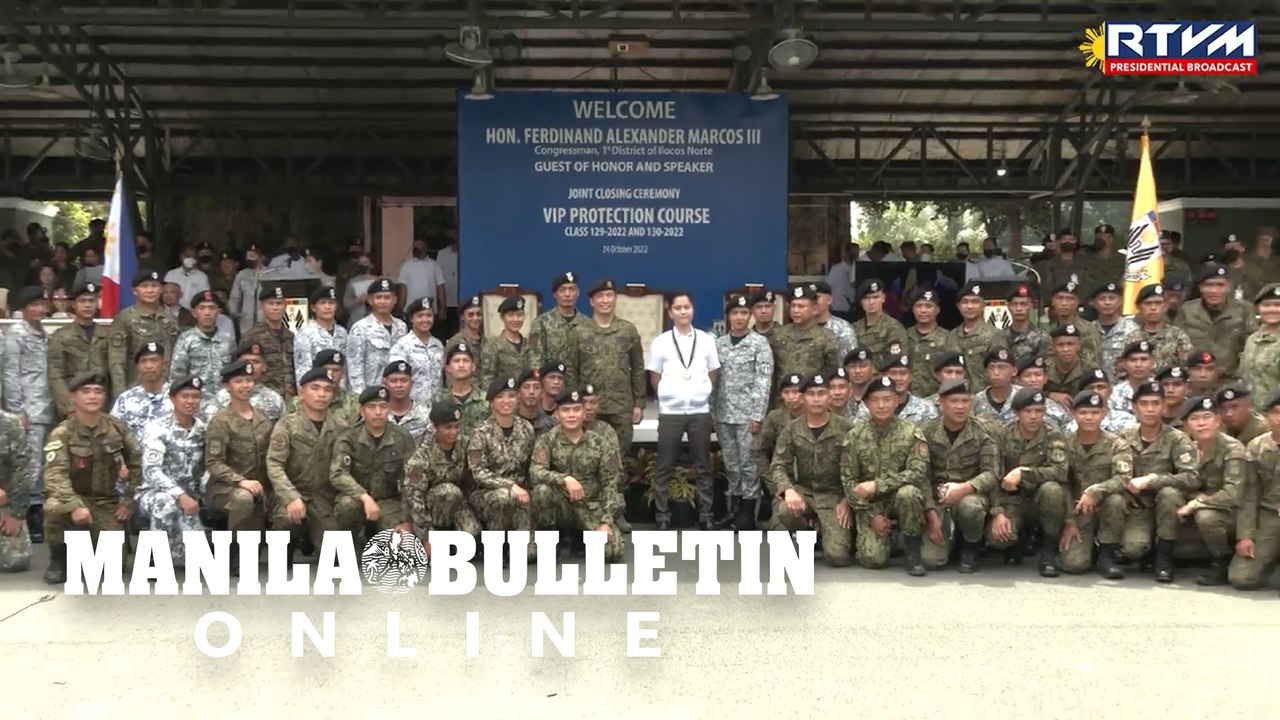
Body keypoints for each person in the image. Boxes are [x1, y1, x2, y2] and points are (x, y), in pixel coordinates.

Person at [41, 373, 143, 584]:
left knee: (113, 566)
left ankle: (89, 546)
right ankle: (59, 561)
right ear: (73, 397)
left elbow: (137, 463)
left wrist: (128, 500)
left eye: (98, 392)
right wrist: (74, 505)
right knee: (53, 507)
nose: (92, 396)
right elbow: (55, 475)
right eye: (85, 392)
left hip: (106, 502)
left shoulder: (116, 427)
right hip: (74, 497)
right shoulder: (62, 432)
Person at [1104, 380, 1199, 583]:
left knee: (1169, 493)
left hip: (1168, 508)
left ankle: (1163, 559)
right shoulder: (1123, 437)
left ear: (1164, 407)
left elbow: (1192, 477)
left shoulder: (1177, 439)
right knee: (1133, 547)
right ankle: (1142, 551)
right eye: (1144, 404)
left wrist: (1153, 480)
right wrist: (1123, 490)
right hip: (1137, 507)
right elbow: (1109, 471)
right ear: (1134, 407)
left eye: (1155, 404)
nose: (1150, 409)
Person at [841, 375, 929, 575]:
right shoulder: (855, 436)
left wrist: (878, 485)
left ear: (897, 401)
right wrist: (871, 516)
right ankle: (873, 534)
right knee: (874, 559)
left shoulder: (911, 433)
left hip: (900, 498)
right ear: (866, 403)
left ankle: (912, 550)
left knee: (910, 493)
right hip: (870, 504)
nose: (881, 405)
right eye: (875, 400)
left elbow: (917, 472)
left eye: (887, 399)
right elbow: (849, 481)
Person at [647, 290, 720, 530]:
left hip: (699, 410)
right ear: (670, 312)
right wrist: (668, 395)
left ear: (693, 309)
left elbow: (712, 371)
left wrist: (703, 390)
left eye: (687, 307)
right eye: (677, 308)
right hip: (671, 412)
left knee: (703, 467)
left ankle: (706, 515)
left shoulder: (706, 340)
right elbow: (655, 376)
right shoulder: (661, 342)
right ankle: (663, 516)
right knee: (664, 466)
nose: (683, 311)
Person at [768, 374, 855, 567]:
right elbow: (779, 464)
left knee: (838, 557)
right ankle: (806, 532)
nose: (816, 399)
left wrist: (847, 500)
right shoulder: (792, 429)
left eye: (822, 393)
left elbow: (858, 468)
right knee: (784, 510)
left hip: (833, 496)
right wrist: (788, 490)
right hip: (804, 492)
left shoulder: (846, 428)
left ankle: (824, 532)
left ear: (829, 396)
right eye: (811, 394)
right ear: (803, 397)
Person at [914, 378, 1000, 572]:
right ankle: (948, 541)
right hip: (938, 498)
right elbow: (921, 476)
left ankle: (970, 547)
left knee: (970, 507)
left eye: (965, 401)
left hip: (971, 494)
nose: (960, 407)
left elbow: (992, 473)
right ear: (941, 403)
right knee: (931, 561)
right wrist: (931, 514)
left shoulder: (984, 430)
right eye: (954, 401)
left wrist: (964, 488)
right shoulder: (926, 431)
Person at [530, 387, 625, 561]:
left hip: (590, 506)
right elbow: (535, 471)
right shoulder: (547, 440)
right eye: (566, 410)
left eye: (576, 409)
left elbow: (611, 483)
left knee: (612, 552)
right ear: (557, 415)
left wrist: (606, 521)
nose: (571, 415)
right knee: (541, 491)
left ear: (584, 413)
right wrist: (563, 478)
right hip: (561, 505)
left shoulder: (600, 443)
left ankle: (580, 536)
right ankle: (551, 541)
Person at [266, 366, 351, 559]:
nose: (321, 394)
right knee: (286, 521)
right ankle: (289, 544)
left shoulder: (341, 427)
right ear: (301, 392)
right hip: (292, 494)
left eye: (327, 389)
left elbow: (344, 467)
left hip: (322, 498)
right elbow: (274, 464)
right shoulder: (286, 425)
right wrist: (290, 497)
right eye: (315, 388)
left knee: (335, 558)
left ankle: (310, 537)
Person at [988, 388, 1070, 577]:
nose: (1034, 416)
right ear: (1017, 413)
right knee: (998, 539)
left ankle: (1049, 552)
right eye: (1028, 411)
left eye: (1039, 411)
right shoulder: (1003, 435)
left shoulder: (1053, 434)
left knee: (1053, 490)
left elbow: (1060, 471)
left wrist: (1023, 473)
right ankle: (1018, 539)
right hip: (1012, 501)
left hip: (1040, 500)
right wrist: (998, 513)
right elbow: (992, 475)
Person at [204, 360, 273, 572]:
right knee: (243, 500)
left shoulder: (263, 418)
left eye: (249, 380)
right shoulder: (221, 421)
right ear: (227, 386)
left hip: (259, 487)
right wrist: (241, 481)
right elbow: (213, 462)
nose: (245, 385)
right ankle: (231, 552)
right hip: (225, 488)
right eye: (239, 381)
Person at [565, 279, 646, 457]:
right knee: (588, 457)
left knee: (619, 459)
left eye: (609, 295)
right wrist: (574, 403)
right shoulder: (578, 332)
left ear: (615, 299)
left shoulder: (627, 330)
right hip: (589, 408)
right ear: (591, 302)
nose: (605, 300)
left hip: (621, 408)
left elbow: (638, 368)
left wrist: (639, 404)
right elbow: (571, 370)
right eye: (600, 296)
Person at [713, 294, 773, 530]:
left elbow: (763, 381)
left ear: (750, 316)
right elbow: (713, 381)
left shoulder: (759, 344)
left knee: (748, 465)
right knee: (731, 464)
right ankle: (733, 510)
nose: (739, 318)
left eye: (744, 313)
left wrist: (757, 415)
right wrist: (711, 412)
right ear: (728, 316)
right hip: (724, 414)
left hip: (748, 416)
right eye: (735, 313)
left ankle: (748, 514)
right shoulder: (720, 344)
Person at [135, 375, 208, 568]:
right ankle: (155, 558)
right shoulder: (157, 428)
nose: (190, 401)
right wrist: (180, 494)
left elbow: (207, 466)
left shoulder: (203, 430)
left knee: (197, 559)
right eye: (185, 396)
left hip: (191, 496)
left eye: (195, 396)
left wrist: (200, 493)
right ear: (172, 399)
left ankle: (177, 549)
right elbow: (151, 470)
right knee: (165, 503)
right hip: (155, 493)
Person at [331, 385, 416, 543]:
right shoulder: (349, 438)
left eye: (383, 407)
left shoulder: (402, 438)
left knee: (403, 547)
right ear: (362, 410)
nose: (378, 412)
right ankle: (347, 543)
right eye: (371, 407)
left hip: (388, 504)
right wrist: (364, 497)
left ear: (389, 410)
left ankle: (377, 535)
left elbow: (410, 480)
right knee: (347, 506)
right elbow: (338, 474)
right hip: (356, 501)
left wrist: (407, 520)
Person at [1176, 395, 1245, 586]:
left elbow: (1233, 494)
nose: (1201, 424)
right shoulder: (1185, 448)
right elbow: (1181, 480)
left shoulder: (1232, 449)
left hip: (1230, 513)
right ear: (1185, 425)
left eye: (1207, 417)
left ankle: (1221, 561)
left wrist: (1197, 503)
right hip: (1196, 508)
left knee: (1206, 516)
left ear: (1217, 420)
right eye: (1195, 419)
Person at [466, 377, 537, 565]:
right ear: (491, 402)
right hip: (487, 495)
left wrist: (530, 490)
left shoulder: (526, 428)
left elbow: (531, 464)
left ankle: (516, 543)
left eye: (511, 396)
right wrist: (510, 486)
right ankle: (494, 546)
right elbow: (478, 471)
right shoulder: (481, 432)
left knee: (527, 556)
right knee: (503, 496)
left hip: (520, 495)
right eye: (500, 397)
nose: (507, 401)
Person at [4, 286, 54, 518]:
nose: (39, 309)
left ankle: (38, 506)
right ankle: (27, 513)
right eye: (33, 305)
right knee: (30, 465)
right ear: (23, 309)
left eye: (41, 304)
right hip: (29, 410)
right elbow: (10, 375)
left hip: (47, 406)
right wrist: (17, 411)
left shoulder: (43, 333)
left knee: (44, 462)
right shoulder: (16, 335)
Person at [404, 400, 481, 549]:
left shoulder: (466, 445)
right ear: (434, 428)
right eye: (448, 428)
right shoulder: (421, 456)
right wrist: (426, 536)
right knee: (448, 491)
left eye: (457, 427)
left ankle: (454, 542)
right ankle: (438, 538)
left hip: (460, 505)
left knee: (472, 534)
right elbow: (414, 498)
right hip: (432, 510)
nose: (454, 432)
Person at [1228, 389, 1280, 591]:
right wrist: (1245, 536)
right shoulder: (1257, 447)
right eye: (1276, 412)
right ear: (1266, 416)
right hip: (1268, 515)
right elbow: (1248, 496)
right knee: (1242, 578)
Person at [169, 289, 234, 413]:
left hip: (225, 404)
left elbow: (233, 373)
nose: (207, 313)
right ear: (194, 312)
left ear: (219, 312)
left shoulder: (227, 340)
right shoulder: (186, 339)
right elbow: (177, 375)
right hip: (195, 403)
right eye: (202, 308)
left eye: (212, 308)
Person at [345, 278, 408, 394]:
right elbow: (355, 368)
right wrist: (361, 397)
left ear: (395, 300)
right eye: (378, 297)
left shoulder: (401, 327)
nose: (383, 302)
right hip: (372, 395)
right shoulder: (360, 328)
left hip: (396, 394)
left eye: (387, 297)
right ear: (370, 300)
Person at [242, 283, 296, 398]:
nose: (275, 308)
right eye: (271, 303)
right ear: (262, 306)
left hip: (290, 398)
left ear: (285, 305)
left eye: (279, 303)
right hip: (263, 397)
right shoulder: (252, 336)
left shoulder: (290, 336)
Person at [953, 282, 1009, 391]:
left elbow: (1002, 370)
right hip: (958, 398)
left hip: (985, 398)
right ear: (958, 306)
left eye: (975, 302)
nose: (969, 306)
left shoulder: (995, 335)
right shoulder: (951, 336)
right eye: (965, 302)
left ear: (983, 305)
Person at [389, 297, 445, 405]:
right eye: (420, 316)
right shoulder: (402, 346)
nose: (425, 320)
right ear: (411, 319)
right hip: (413, 408)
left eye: (429, 315)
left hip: (437, 407)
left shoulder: (438, 345)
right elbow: (396, 379)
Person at [293, 285, 349, 390]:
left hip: (341, 391)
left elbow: (346, 367)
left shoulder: (342, 333)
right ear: (313, 307)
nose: (328, 307)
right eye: (323, 303)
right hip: (317, 391)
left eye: (331, 303)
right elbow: (302, 370)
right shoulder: (305, 334)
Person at [530, 272, 582, 370]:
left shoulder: (587, 323)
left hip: (579, 384)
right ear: (554, 294)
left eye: (571, 289)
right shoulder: (541, 323)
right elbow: (535, 359)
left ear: (578, 292)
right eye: (562, 290)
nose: (567, 294)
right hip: (553, 382)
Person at [1240, 283, 1280, 411]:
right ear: (1257, 308)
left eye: (1278, 305)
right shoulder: (1252, 339)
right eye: (1266, 305)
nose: (1272, 309)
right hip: (1253, 415)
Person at [479, 296, 533, 388]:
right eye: (511, 315)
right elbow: (487, 379)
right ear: (502, 317)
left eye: (519, 315)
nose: (515, 319)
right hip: (504, 398)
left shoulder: (529, 345)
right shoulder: (493, 346)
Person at [397, 237, 447, 310]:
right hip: (410, 308)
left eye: (419, 246)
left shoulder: (434, 266)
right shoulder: (406, 266)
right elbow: (403, 287)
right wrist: (400, 307)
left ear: (425, 248)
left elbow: (440, 288)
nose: (416, 249)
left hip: (430, 308)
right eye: (415, 246)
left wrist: (443, 309)